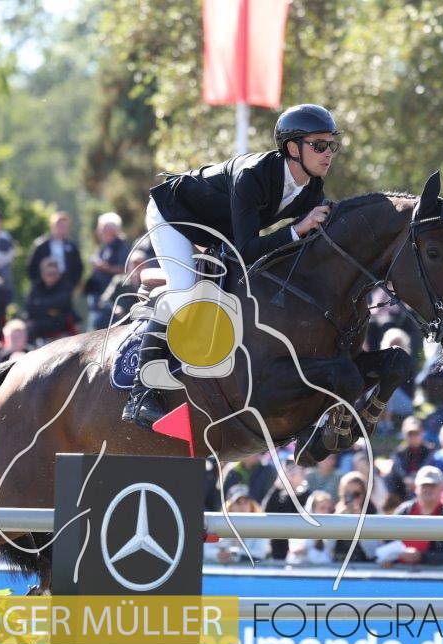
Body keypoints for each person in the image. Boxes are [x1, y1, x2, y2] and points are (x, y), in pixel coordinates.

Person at [127, 104, 339, 427]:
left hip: (220, 229)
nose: (328, 154)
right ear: (293, 148)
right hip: (175, 216)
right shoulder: (253, 175)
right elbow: (248, 250)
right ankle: (140, 394)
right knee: (185, 292)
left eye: (332, 145)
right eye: (319, 145)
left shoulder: (312, 187)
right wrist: (297, 229)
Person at [386, 466, 443, 566]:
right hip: (399, 570)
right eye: (424, 485)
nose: (428, 489)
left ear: (442, 488)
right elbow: (389, 542)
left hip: (435, 573)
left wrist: (421, 557)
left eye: (433, 485)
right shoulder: (404, 510)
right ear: (416, 488)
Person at [205, 484, 270, 563]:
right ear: (229, 506)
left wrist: (234, 553)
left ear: (251, 505)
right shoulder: (218, 524)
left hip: (250, 570)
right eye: (238, 502)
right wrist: (218, 554)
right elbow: (206, 550)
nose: (243, 506)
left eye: (246, 502)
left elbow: (261, 554)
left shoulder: (261, 526)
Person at [86, 212, 130, 329]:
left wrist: (103, 266)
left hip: (112, 299)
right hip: (98, 295)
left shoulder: (121, 247)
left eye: (102, 228)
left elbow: (124, 269)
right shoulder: (105, 246)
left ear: (112, 230)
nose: (99, 232)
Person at [25, 211, 84, 295]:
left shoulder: (72, 247)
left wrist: (71, 284)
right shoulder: (41, 245)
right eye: (59, 225)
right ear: (52, 226)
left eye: (64, 226)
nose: (61, 228)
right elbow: (31, 266)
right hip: (43, 286)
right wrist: (39, 281)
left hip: (64, 285)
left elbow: (78, 268)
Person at [24, 257, 79, 344]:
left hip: (60, 323)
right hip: (39, 324)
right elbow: (30, 307)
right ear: (43, 274)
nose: (52, 276)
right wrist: (50, 309)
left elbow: (62, 303)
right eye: (49, 274)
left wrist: (40, 304)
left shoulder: (65, 286)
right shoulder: (36, 287)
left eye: (54, 273)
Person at [386, 417, 429, 503]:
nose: (413, 437)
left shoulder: (430, 451)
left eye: (416, 433)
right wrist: (407, 479)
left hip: (425, 488)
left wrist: (416, 480)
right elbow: (399, 471)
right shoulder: (399, 452)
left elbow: (427, 466)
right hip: (403, 493)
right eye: (410, 434)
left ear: (422, 433)